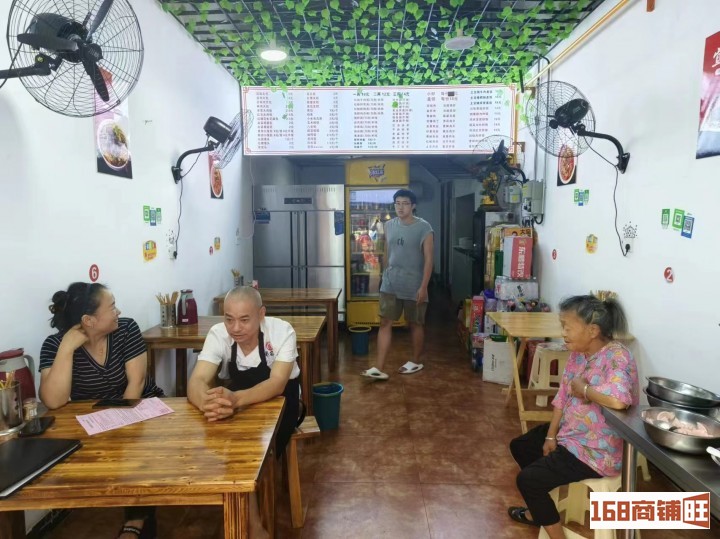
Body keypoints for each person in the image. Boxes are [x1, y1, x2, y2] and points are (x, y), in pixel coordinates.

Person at [39, 282, 164, 539]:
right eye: (112, 307)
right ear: (89, 320)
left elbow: (136, 383)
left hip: (140, 406)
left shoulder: (126, 329)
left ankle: (136, 522)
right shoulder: (54, 345)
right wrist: (67, 348)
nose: (119, 312)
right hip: (95, 420)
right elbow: (54, 401)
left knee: (138, 452)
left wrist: (120, 426)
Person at [507, 295, 638, 539]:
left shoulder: (617, 357)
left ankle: (550, 526)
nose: (563, 333)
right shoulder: (579, 353)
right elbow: (562, 396)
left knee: (528, 481)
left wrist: (585, 390)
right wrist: (550, 435)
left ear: (592, 330)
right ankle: (540, 509)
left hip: (597, 449)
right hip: (572, 435)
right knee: (522, 446)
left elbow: (620, 400)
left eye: (567, 327)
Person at [187, 286, 302, 539]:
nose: (235, 328)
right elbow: (197, 381)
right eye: (229, 319)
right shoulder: (218, 334)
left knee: (254, 452)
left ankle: (252, 524)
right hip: (238, 402)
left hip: (283, 401)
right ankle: (248, 520)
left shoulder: (282, 332)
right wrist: (207, 403)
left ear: (261, 314)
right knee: (229, 447)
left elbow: (277, 383)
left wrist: (235, 400)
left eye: (244, 320)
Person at [362, 188, 434, 380]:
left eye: (405, 204)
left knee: (415, 323)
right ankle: (379, 367)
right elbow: (388, 251)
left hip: (414, 284)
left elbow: (429, 260)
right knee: (385, 322)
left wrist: (424, 287)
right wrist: (383, 274)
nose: (401, 208)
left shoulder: (424, 228)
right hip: (391, 283)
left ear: (413, 206)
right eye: (398, 204)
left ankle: (416, 361)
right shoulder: (389, 225)